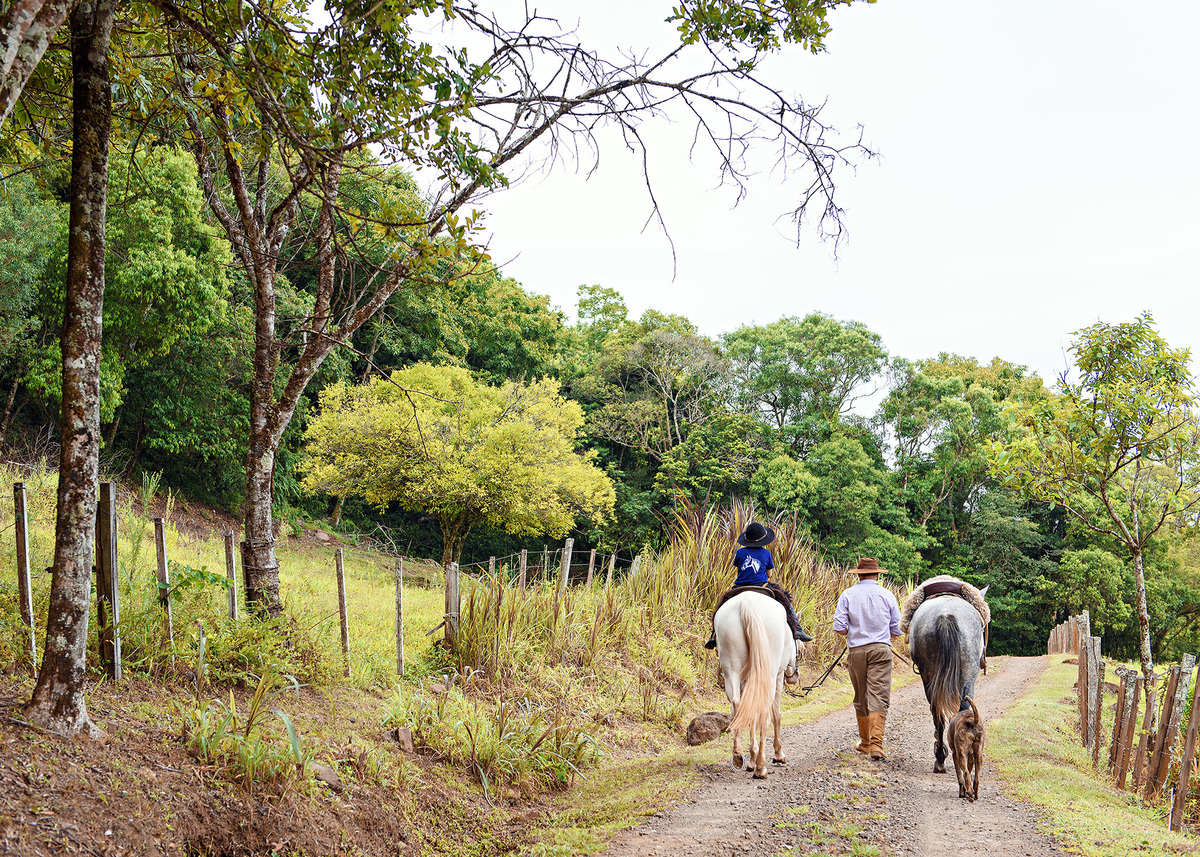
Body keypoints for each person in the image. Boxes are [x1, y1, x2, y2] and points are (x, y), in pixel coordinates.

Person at [703, 522, 814, 650]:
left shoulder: (740, 552)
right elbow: (769, 573)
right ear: (762, 540)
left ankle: (714, 635)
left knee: (722, 604)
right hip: (761, 585)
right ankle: (798, 629)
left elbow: (739, 570)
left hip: (740, 586)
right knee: (785, 599)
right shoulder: (766, 553)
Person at [833, 557, 901, 761]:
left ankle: (864, 742)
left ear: (859, 575)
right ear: (878, 574)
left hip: (857, 651)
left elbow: (839, 627)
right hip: (881, 649)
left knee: (861, 695)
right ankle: (876, 745)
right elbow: (896, 628)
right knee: (879, 695)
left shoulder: (848, 594)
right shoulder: (887, 595)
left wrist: (853, 631)